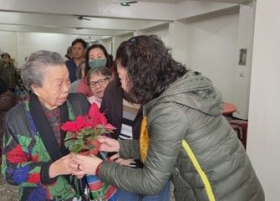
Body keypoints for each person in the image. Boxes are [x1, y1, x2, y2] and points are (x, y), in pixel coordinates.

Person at [71, 35, 265, 201]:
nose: (120, 86)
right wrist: (121, 147)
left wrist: (98, 167)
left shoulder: (168, 110)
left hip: (219, 193)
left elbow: (151, 182)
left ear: (138, 76)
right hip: (237, 185)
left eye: (121, 78)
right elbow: (165, 147)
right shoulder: (181, 87)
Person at [2, 50, 91, 201]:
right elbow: (10, 172)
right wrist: (52, 169)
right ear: (36, 88)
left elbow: (95, 141)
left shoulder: (80, 103)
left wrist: (87, 161)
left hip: (81, 192)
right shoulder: (16, 118)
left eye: (68, 80)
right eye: (58, 84)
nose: (66, 88)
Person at [100, 79, 171, 200]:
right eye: (120, 75)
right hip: (121, 169)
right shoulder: (113, 89)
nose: (122, 82)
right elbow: (104, 123)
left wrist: (131, 153)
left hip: (153, 169)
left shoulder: (161, 92)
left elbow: (165, 143)